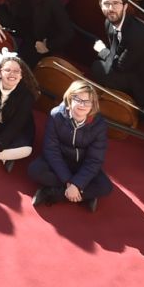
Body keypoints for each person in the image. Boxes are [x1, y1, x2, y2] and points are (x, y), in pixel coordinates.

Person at [29, 81, 112, 210]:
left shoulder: (99, 125)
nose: (82, 105)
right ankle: (83, 195)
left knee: (105, 187)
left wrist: (77, 183)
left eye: (87, 101)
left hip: (82, 164)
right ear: (70, 98)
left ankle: (52, 193)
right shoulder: (56, 115)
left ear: (93, 105)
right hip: (60, 161)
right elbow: (51, 150)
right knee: (35, 170)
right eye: (78, 99)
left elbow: (94, 159)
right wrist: (69, 182)